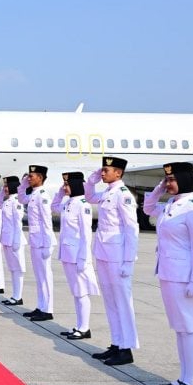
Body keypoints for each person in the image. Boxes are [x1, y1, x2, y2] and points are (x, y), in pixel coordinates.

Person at [144, 162, 193, 385]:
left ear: (185, 180)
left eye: (171, 180)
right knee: (180, 329)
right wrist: (159, 189)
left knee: (189, 329)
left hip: (185, 278)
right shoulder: (171, 204)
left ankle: (192, 382)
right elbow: (147, 207)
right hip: (168, 274)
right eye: (167, 179)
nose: (168, 183)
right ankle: (183, 377)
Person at [84, 156, 139, 366]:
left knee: (123, 302)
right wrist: (91, 181)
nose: (103, 172)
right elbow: (89, 197)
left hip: (118, 256)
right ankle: (116, 343)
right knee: (110, 301)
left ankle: (127, 348)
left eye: (107, 170)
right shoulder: (108, 192)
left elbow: (131, 229)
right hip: (105, 254)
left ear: (119, 173)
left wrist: (129, 260)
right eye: (102, 170)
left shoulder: (123, 195)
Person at [51, 172, 100, 340]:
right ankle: (79, 325)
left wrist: (84, 258)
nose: (65, 187)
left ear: (77, 185)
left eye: (68, 184)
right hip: (67, 254)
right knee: (76, 292)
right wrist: (61, 190)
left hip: (78, 255)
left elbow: (87, 234)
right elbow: (54, 206)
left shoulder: (83, 205)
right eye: (64, 184)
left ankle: (84, 328)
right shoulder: (67, 202)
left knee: (82, 292)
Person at [19, 165, 56, 321]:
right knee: (39, 276)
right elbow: (21, 198)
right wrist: (23, 185)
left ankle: (48, 309)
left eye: (32, 176)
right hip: (36, 240)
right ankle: (41, 306)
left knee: (45, 276)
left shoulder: (43, 196)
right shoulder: (34, 194)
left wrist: (48, 243)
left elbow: (47, 222)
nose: (29, 178)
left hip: (43, 242)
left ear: (40, 178)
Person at [0, 176, 26, 306]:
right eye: (4, 186)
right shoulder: (7, 200)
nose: (5, 188)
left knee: (18, 269)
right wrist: (2, 192)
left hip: (15, 240)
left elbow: (18, 223)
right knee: (13, 269)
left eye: (7, 186)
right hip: (7, 239)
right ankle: (14, 295)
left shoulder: (16, 201)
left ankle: (18, 296)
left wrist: (16, 241)